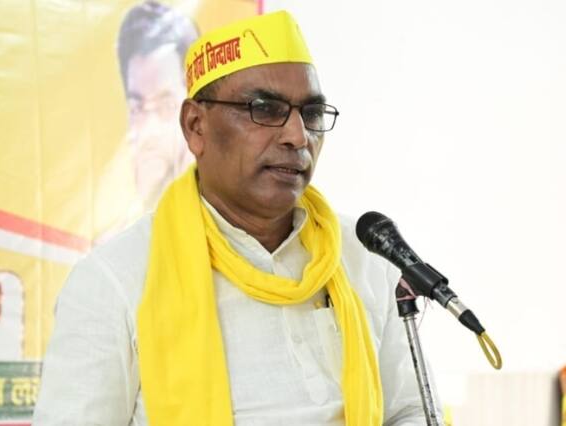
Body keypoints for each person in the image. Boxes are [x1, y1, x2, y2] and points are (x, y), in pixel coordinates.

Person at [34, 11, 441, 425]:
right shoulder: (114, 281)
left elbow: (411, 410)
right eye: (265, 109)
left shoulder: (362, 256)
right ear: (196, 126)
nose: (297, 136)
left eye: (312, 114)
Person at [117, 0, 199, 212]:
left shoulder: (227, 222)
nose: (149, 129)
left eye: (167, 106)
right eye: (137, 109)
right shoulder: (121, 231)